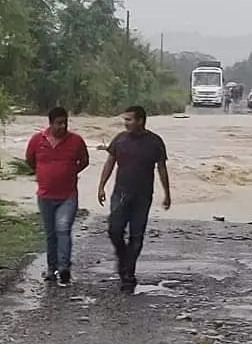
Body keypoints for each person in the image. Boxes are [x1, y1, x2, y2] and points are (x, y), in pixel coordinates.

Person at [97, 106, 171, 292]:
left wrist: (167, 194)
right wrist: (101, 186)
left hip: (143, 196)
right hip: (120, 193)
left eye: (129, 120)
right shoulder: (119, 140)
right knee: (114, 230)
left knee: (136, 236)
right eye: (125, 120)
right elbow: (110, 163)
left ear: (140, 120)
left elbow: (162, 169)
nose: (126, 123)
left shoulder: (155, 142)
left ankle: (128, 273)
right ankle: (123, 259)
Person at [25, 107, 90, 287]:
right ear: (51, 123)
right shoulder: (37, 140)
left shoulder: (76, 141)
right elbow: (30, 160)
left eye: (65, 123)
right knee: (50, 233)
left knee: (63, 228)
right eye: (59, 123)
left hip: (68, 195)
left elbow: (84, 161)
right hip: (45, 195)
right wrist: (42, 173)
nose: (62, 127)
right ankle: (51, 269)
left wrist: (70, 172)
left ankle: (64, 269)